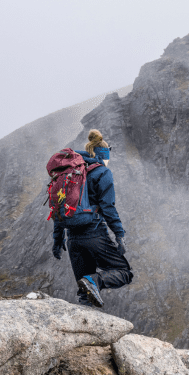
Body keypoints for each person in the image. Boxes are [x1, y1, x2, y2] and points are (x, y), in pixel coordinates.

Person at [52, 129, 132, 307]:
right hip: (94, 234)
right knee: (123, 272)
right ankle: (95, 281)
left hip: (72, 238)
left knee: (84, 292)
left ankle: (85, 319)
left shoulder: (69, 173)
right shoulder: (102, 172)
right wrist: (119, 235)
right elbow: (108, 207)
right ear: (103, 154)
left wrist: (57, 240)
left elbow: (60, 208)